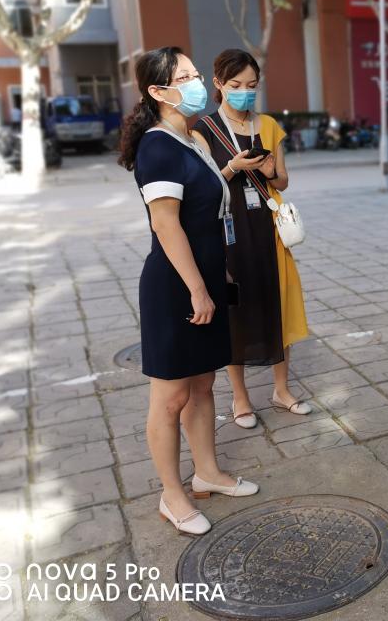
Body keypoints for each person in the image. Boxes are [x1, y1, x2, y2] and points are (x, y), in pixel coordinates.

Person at [117, 46, 260, 537]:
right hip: (176, 286)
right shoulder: (157, 147)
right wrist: (198, 288)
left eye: (196, 74)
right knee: (171, 396)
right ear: (158, 92)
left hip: (207, 279)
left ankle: (208, 473)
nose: (197, 83)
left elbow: (207, 211)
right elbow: (166, 225)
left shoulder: (192, 138)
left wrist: (219, 276)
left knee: (203, 385)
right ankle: (171, 494)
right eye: (186, 77)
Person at [192, 49, 311, 426]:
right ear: (218, 84)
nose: (245, 92)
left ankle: (282, 390)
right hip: (229, 228)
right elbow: (204, 189)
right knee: (236, 313)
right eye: (236, 85)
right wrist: (232, 167)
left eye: (252, 85)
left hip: (269, 225)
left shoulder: (269, 125)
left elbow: (283, 182)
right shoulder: (203, 130)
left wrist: (271, 170)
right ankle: (240, 398)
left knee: (279, 303)